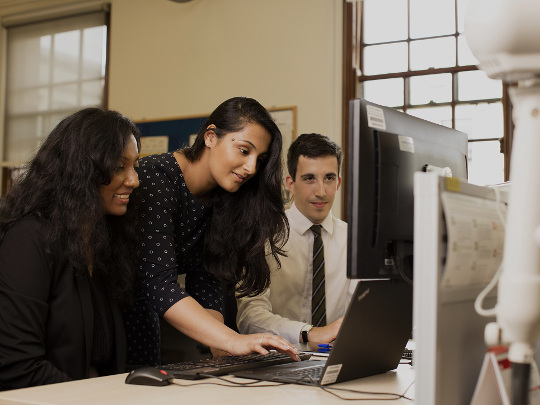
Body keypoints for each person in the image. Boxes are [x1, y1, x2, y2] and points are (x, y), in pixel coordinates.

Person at [124, 96, 300, 366]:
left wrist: (221, 347)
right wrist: (230, 339)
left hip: (146, 316)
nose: (252, 167)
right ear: (210, 137)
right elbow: (158, 283)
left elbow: (207, 281)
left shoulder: (224, 199)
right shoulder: (158, 177)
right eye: (244, 150)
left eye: (260, 159)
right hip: (113, 311)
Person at [0, 107, 141, 390]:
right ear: (82, 169)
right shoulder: (29, 238)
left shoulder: (102, 242)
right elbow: (16, 367)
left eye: (135, 165)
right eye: (118, 166)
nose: (134, 180)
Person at [236, 133, 358, 344]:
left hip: (334, 358)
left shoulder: (354, 239)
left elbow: (366, 309)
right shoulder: (263, 236)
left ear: (338, 183)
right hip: (279, 358)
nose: (321, 191)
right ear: (290, 184)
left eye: (329, 178)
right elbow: (250, 318)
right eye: (309, 178)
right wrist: (307, 333)